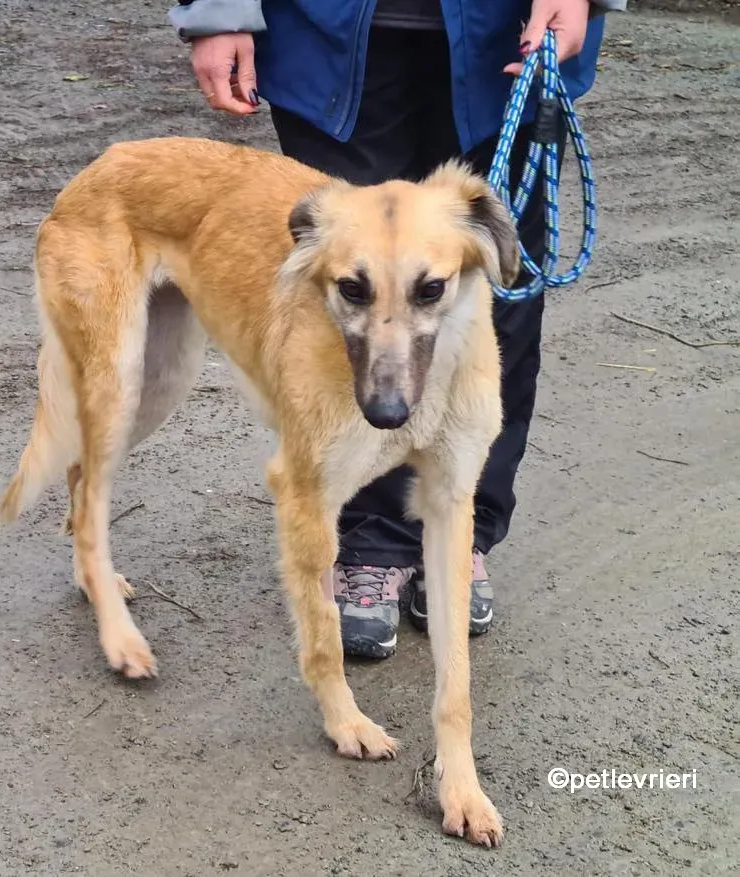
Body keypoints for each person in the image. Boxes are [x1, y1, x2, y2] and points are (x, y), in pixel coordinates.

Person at [167, 0, 626, 659]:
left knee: (498, 297)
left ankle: (459, 530)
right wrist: (219, 9)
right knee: (350, 296)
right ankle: (372, 541)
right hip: (330, 35)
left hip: (508, 34)